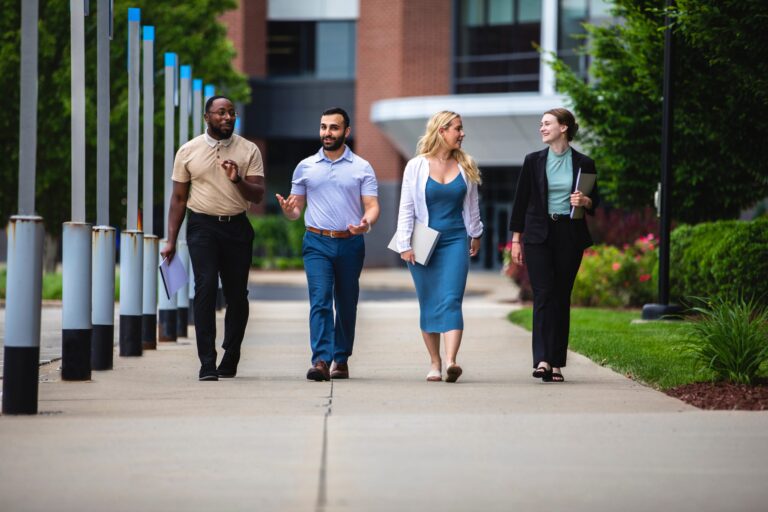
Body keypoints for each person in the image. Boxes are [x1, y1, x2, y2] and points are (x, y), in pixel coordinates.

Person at [161, 96, 265, 381]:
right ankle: (207, 362)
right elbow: (179, 199)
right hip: (202, 227)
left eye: (232, 113)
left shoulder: (249, 150)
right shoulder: (188, 151)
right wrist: (171, 241)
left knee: (236, 295)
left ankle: (231, 355)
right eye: (221, 113)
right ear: (207, 117)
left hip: (237, 227)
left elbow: (257, 194)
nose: (228, 117)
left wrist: (237, 179)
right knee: (205, 287)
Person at [276, 107, 379, 381]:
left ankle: (341, 359)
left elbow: (372, 206)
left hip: (350, 243)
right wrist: (288, 210)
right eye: (323, 127)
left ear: (346, 131)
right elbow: (296, 210)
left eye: (333, 128)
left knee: (346, 303)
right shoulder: (306, 167)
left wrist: (365, 223)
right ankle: (321, 360)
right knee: (320, 300)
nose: (327, 133)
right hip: (316, 242)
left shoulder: (362, 167)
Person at [508, 108, 599, 383]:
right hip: (538, 235)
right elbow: (520, 202)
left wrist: (585, 202)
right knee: (544, 295)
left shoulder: (584, 162)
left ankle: (557, 362)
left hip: (569, 234)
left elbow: (597, 201)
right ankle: (543, 360)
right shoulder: (533, 161)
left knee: (561, 296)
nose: (542, 128)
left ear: (564, 128)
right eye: (541, 124)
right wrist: (515, 240)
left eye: (547, 124)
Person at [394, 111, 483, 383]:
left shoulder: (466, 165)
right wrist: (403, 244)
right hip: (422, 240)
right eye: (458, 128)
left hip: (455, 239)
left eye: (462, 128)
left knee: (452, 299)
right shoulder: (416, 166)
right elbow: (407, 207)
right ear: (442, 131)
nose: (462, 133)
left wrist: (476, 234)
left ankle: (452, 361)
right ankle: (435, 363)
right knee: (429, 302)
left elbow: (472, 206)